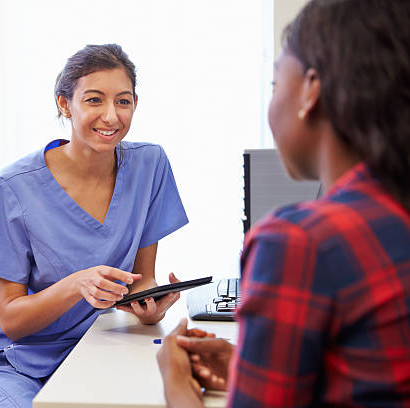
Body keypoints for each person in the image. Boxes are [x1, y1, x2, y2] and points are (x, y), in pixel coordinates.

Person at [157, 0, 410, 406]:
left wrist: (176, 384)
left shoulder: (299, 241)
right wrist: (248, 364)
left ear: (311, 90)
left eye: (275, 85)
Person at [0, 44, 189, 407]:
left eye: (123, 101)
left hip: (89, 350)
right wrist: (76, 285)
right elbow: (11, 320)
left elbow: (141, 278)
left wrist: (150, 306)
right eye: (94, 100)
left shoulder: (150, 165)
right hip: (3, 358)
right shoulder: (14, 186)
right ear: (65, 104)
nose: (111, 116)